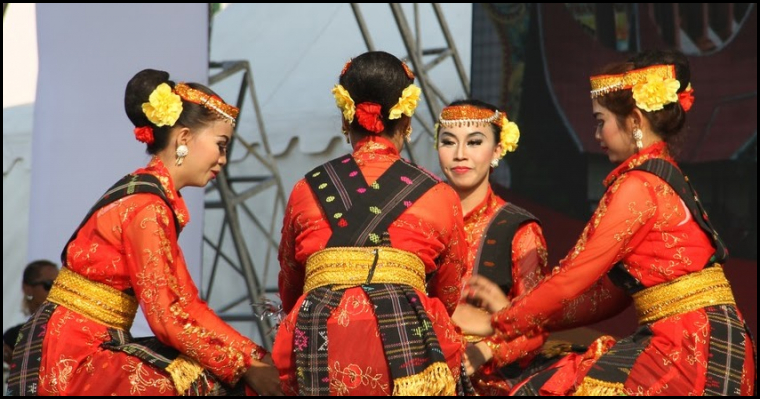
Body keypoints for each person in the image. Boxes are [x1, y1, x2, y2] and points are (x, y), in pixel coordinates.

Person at [462, 49, 756, 395]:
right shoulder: (662, 176)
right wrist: (521, 316)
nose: (596, 134)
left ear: (633, 121)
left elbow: (573, 277)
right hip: (715, 344)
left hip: (688, 348)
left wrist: (498, 323)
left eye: (601, 121)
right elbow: (609, 295)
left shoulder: (638, 186)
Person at [7, 69, 282, 396]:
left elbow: (188, 305)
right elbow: (166, 318)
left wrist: (255, 358)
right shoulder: (147, 207)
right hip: (72, 357)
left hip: (86, 345)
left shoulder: (152, 198)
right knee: (211, 381)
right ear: (183, 139)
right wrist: (244, 367)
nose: (223, 159)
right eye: (220, 145)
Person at [273, 51, 468, 396]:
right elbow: (448, 293)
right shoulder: (440, 195)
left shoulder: (305, 189)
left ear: (346, 120)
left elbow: (291, 288)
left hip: (318, 346)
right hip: (407, 358)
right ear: (407, 122)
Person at [435, 100, 552, 395]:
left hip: (486, 381)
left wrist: (486, 349)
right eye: (448, 142)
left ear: (498, 150)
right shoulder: (417, 221)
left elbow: (536, 332)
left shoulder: (519, 230)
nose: (460, 154)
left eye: (475, 142)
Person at [3, 260, 59, 364]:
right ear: (28, 289)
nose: (56, 291)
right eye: (49, 285)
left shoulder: (69, 330)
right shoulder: (14, 337)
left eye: (59, 285)